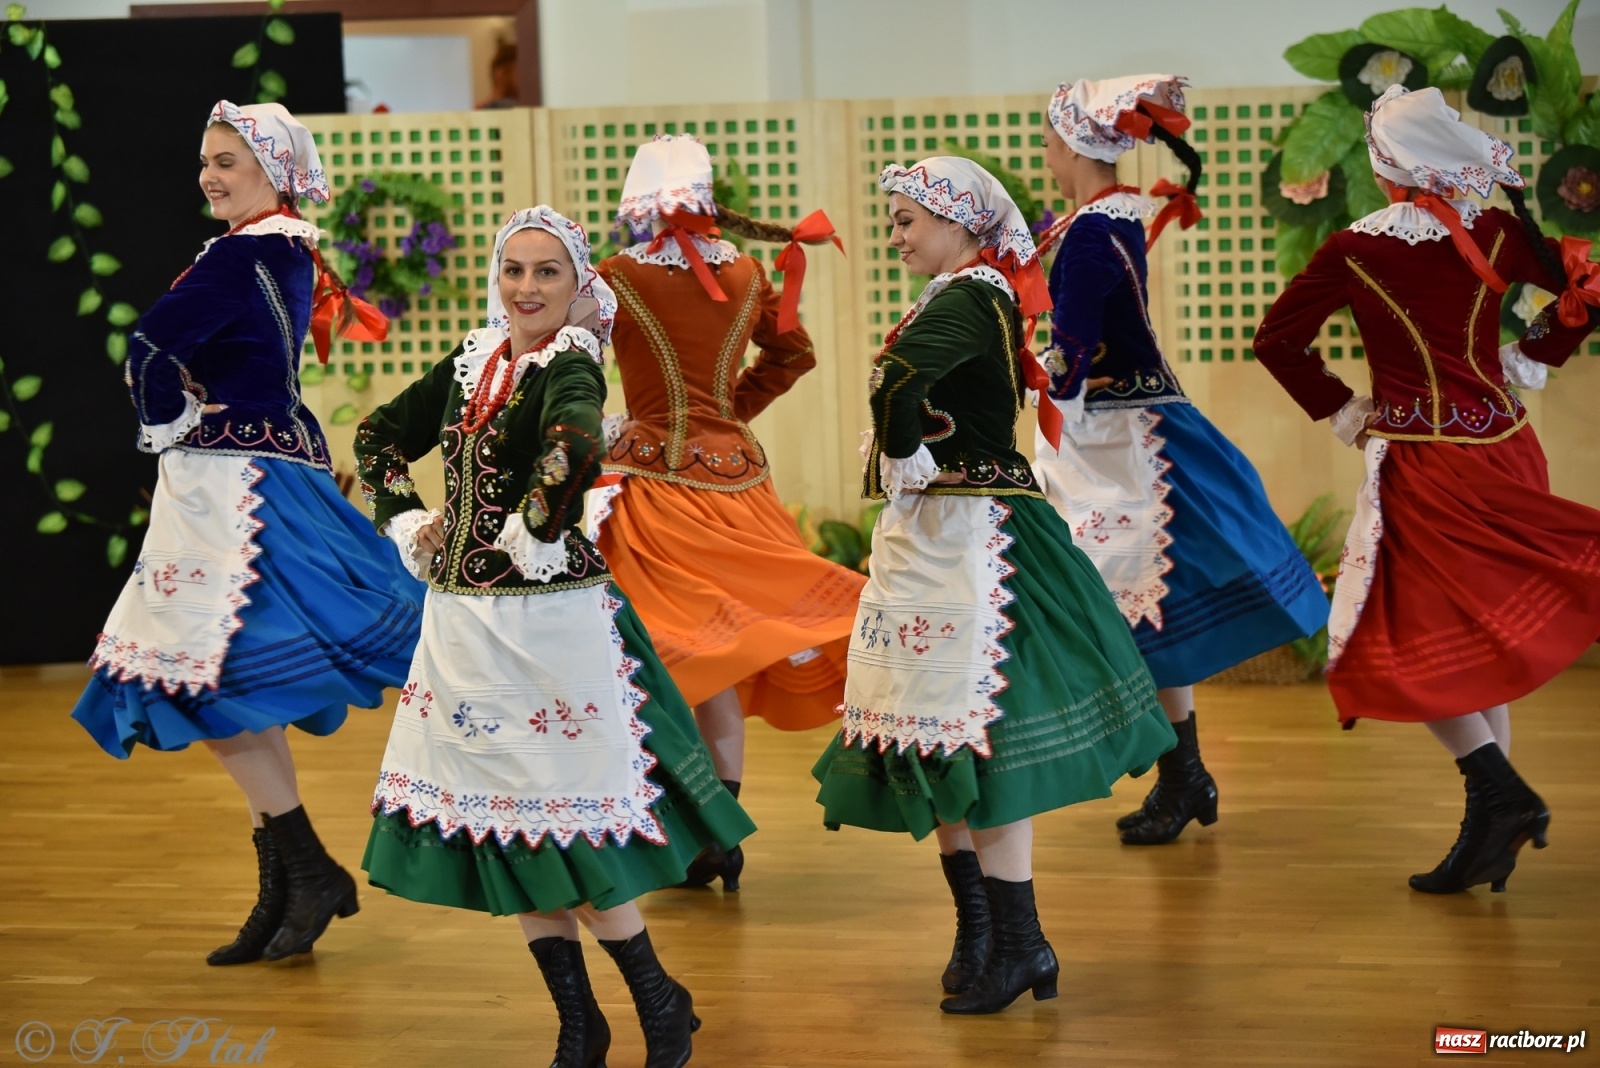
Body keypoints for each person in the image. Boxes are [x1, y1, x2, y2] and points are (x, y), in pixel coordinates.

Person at [356, 206, 755, 1068]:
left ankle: (658, 999)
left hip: (548, 629)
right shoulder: (477, 359)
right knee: (510, 826)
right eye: (514, 270)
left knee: (568, 828)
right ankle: (582, 1024)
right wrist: (407, 514)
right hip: (462, 626)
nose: (527, 288)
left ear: (578, 289)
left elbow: (574, 440)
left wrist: (536, 521)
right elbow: (381, 434)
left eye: (547, 274)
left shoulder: (570, 364)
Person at [811, 156, 1176, 1014]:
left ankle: (1017, 939)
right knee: (940, 736)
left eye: (906, 220)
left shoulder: (974, 294)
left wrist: (900, 449)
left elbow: (895, 379)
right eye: (894, 220)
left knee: (983, 741)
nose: (895, 235)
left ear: (961, 223)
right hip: (940, 532)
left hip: (975, 538)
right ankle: (984, 931)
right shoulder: (964, 293)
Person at [71, 100, 418, 965]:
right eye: (204, 162)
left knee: (212, 680)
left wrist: (169, 416)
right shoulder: (281, 247)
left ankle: (303, 869)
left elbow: (147, 347)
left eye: (228, 160)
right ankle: (294, 879)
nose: (209, 175)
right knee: (223, 682)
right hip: (252, 474)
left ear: (273, 170)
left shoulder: (246, 252)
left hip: (235, 490)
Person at [1253, 85, 1600, 894]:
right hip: (1508, 450)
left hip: (1425, 466)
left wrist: (1347, 409)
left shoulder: (1355, 249)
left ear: (1385, 165)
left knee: (1396, 641)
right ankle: (1491, 826)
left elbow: (1279, 342)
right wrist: (1527, 358)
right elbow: (1581, 297)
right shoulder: (1498, 231)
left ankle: (1499, 795)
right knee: (1473, 648)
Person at [1032, 75, 1332, 847]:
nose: (1044, 148)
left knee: (1133, 598)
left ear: (1071, 145)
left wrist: (1035, 387)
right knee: (1151, 605)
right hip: (1129, 423)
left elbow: (1071, 344)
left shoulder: (1097, 229)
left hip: (1124, 437)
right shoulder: (1102, 220)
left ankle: (1173, 770)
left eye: (1048, 136)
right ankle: (1184, 774)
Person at [590, 135, 863, 891]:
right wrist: (725, 413)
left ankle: (694, 821)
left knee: (675, 654)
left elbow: (572, 363)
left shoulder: (616, 276)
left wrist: (621, 426)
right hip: (737, 482)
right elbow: (793, 355)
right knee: (726, 648)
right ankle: (724, 833)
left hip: (649, 484)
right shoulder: (747, 270)